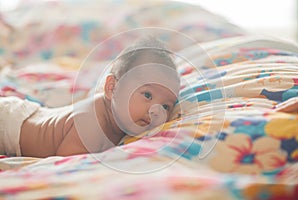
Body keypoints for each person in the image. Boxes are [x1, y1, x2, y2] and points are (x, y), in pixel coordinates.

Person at [0, 36, 181, 157]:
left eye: (166, 106)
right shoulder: (91, 124)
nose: (155, 110)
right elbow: (65, 164)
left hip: (28, 113)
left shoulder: (117, 117)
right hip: (9, 126)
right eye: (147, 95)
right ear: (112, 88)